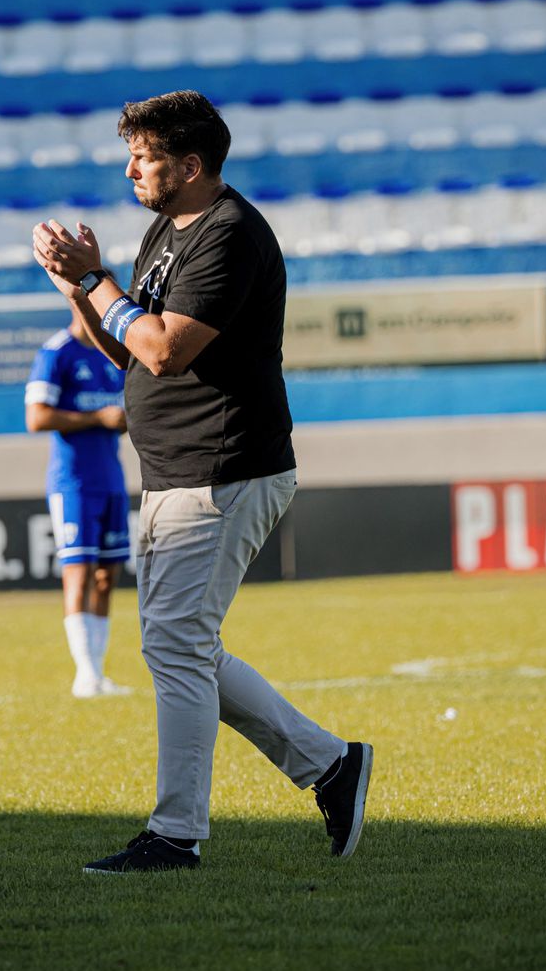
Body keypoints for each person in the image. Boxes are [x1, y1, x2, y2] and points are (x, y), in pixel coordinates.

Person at [32, 89, 373, 871]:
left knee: (178, 645)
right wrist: (76, 286)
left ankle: (176, 833)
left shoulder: (230, 233)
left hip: (224, 468)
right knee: (180, 645)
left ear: (190, 165)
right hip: (174, 471)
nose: (130, 171)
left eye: (143, 158)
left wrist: (99, 278)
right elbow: (128, 346)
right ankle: (331, 764)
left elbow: (164, 350)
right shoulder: (169, 227)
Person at [25, 313, 132, 698]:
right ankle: (84, 674)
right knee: (79, 572)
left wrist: (122, 420)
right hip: (73, 483)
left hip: (112, 479)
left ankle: (98, 674)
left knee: (107, 576)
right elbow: (36, 417)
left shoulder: (113, 352)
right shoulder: (57, 352)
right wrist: (97, 417)